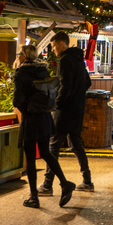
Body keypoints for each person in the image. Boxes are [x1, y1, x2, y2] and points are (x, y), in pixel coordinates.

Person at [12, 45, 75, 209]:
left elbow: (17, 100)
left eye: (20, 54)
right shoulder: (43, 71)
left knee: (31, 158)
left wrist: (22, 108)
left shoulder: (21, 73)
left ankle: (34, 197)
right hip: (45, 117)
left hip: (30, 118)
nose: (18, 57)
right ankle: (65, 183)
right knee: (46, 153)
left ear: (24, 56)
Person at [40, 32, 93, 194]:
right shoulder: (79, 60)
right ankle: (87, 181)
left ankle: (47, 185)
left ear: (62, 44)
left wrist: (56, 104)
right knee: (76, 144)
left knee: (53, 146)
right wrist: (77, 96)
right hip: (77, 109)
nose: (53, 50)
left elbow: (65, 87)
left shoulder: (65, 61)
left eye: (54, 46)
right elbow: (87, 82)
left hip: (64, 111)